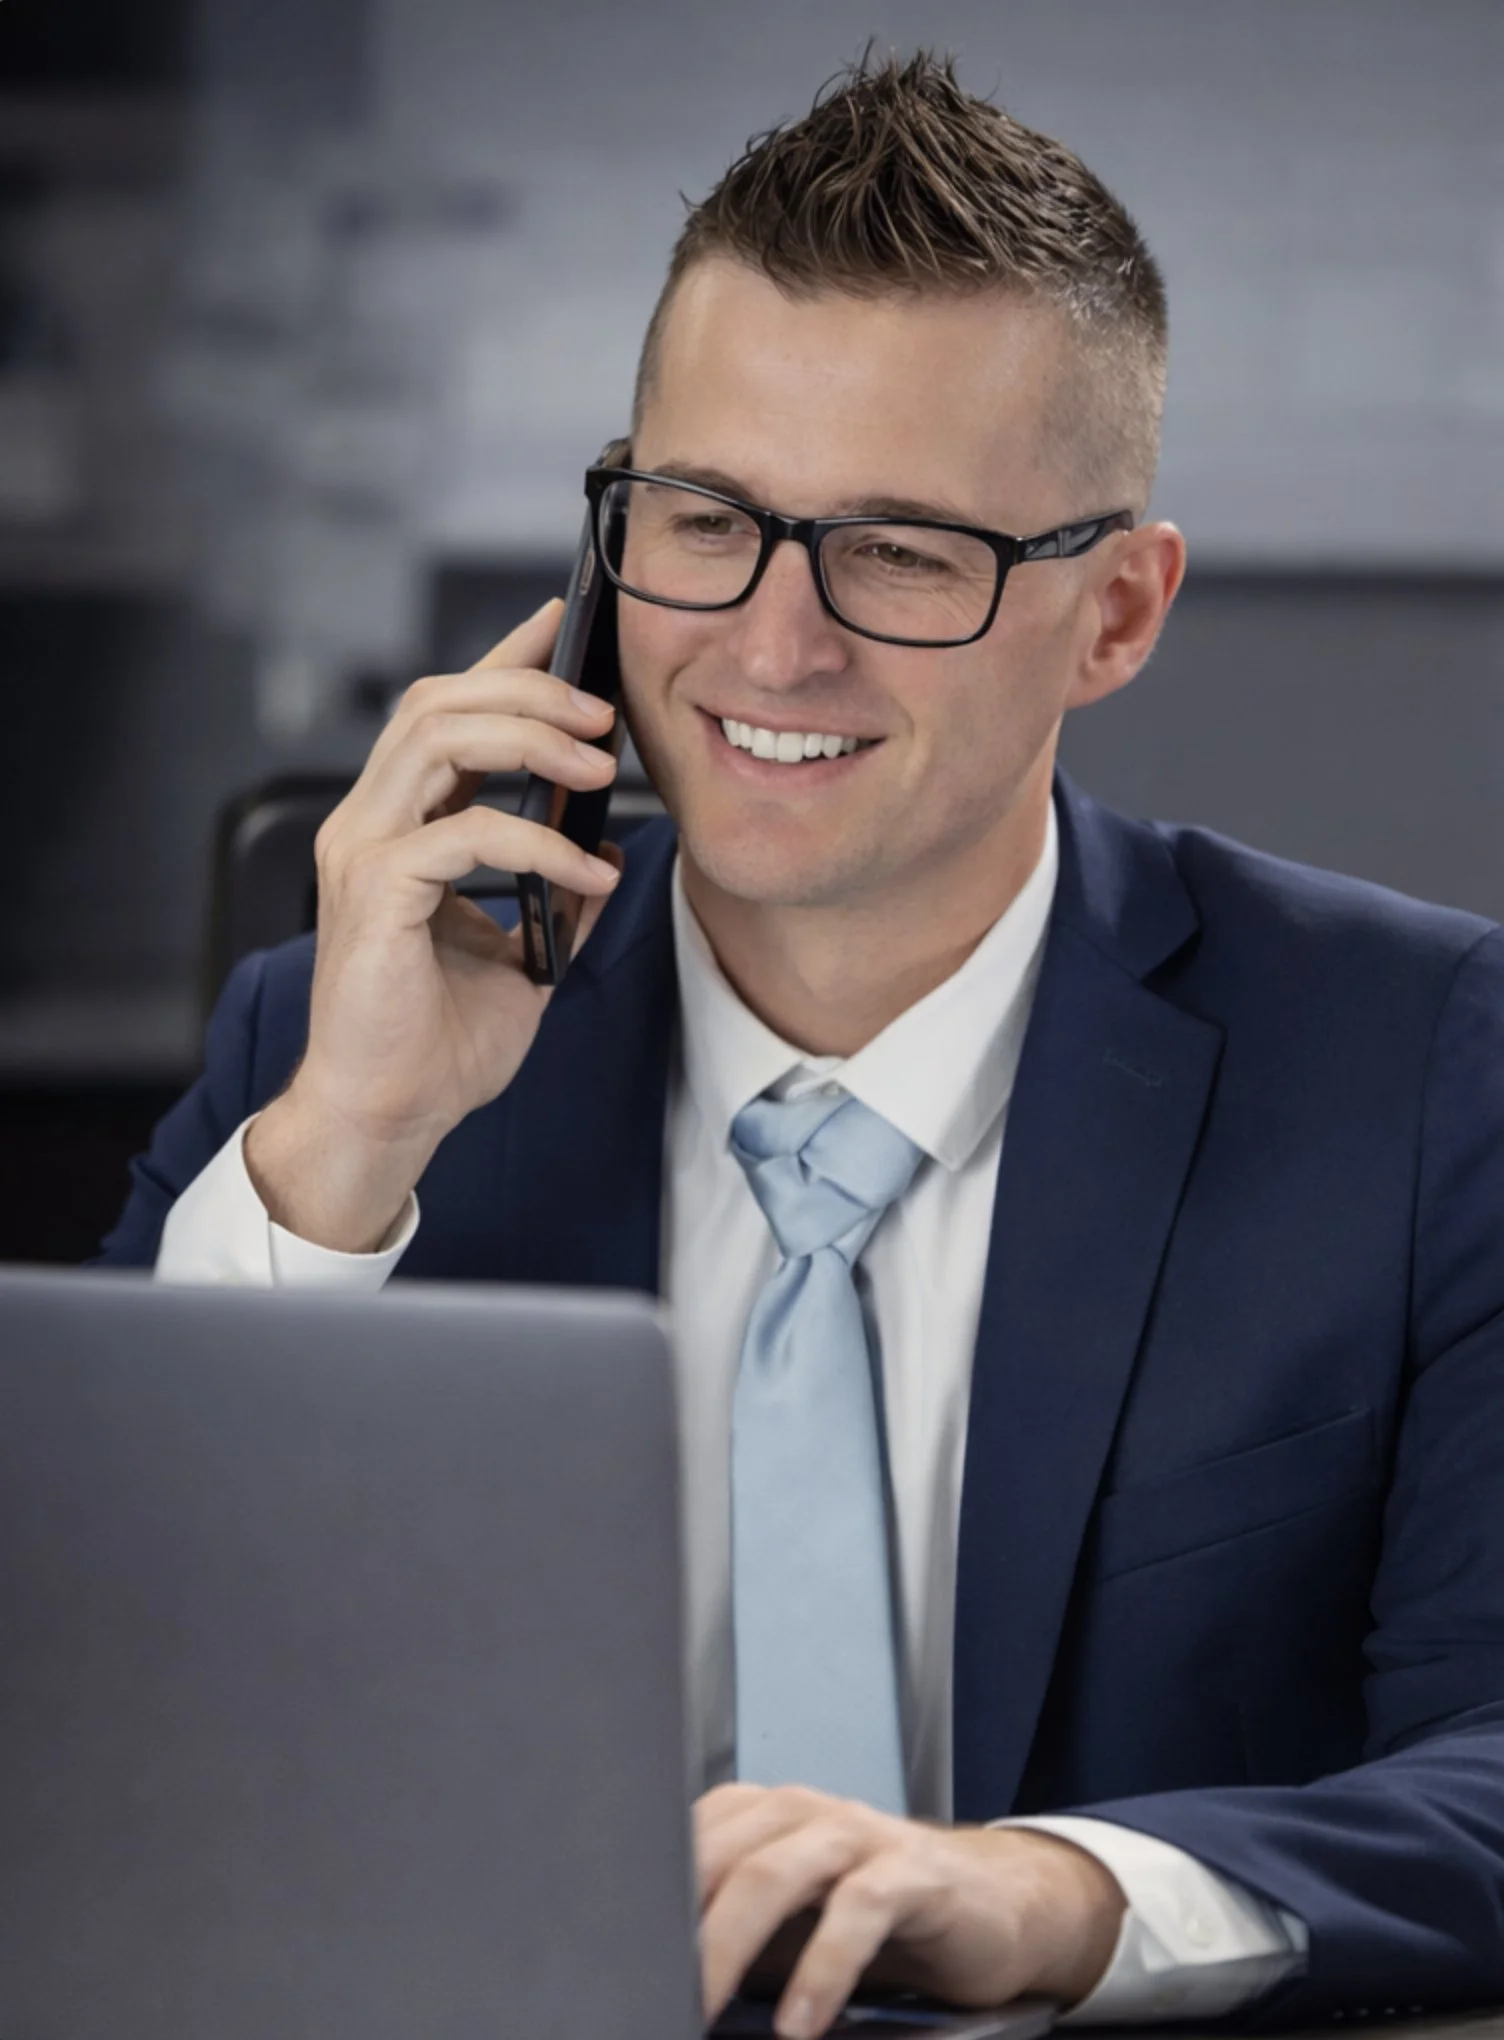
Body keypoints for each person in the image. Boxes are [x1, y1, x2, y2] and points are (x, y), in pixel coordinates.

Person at [101, 51, 1504, 2037]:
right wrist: (343, 1151)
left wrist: (1044, 1896)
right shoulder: (328, 1049)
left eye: (901, 552)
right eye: (703, 520)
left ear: (1111, 616)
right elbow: (85, 1720)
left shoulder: (1424, 1063)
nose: (769, 647)